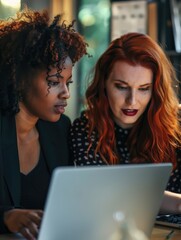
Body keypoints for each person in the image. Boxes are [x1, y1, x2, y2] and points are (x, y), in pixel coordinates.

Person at [0, 7, 88, 239]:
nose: (66, 93)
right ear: (18, 80)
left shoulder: (60, 129)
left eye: (68, 82)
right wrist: (6, 217)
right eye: (54, 81)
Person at [69, 32, 181, 214]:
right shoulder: (85, 129)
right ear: (103, 83)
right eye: (121, 87)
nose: (132, 101)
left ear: (156, 91)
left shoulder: (177, 124)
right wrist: (177, 204)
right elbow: (107, 194)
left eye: (144, 89)